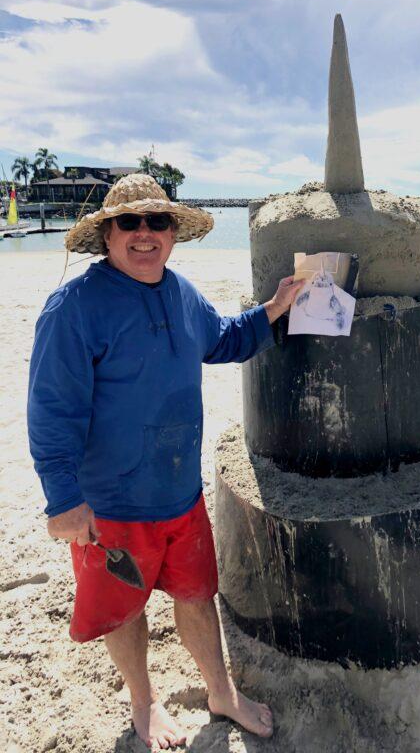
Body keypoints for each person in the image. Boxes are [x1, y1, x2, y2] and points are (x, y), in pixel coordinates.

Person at [27, 174, 304, 750]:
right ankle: (145, 702)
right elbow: (53, 408)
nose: (145, 233)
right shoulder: (75, 307)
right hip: (110, 503)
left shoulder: (181, 292)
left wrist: (274, 309)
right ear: (107, 235)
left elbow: (223, 339)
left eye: (158, 221)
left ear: (174, 233)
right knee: (125, 608)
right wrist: (63, 500)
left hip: (180, 492)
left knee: (197, 595)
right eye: (130, 222)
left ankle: (219, 691)